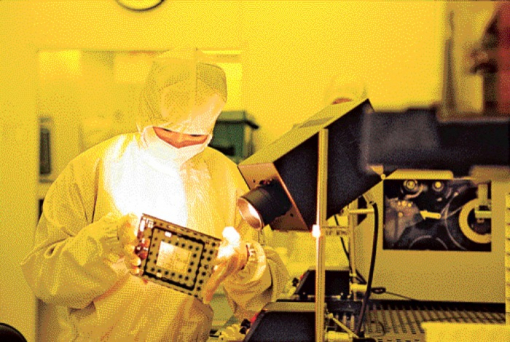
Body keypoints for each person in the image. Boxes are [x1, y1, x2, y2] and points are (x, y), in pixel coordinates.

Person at [21, 48, 289, 341]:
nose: (177, 143)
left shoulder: (226, 179)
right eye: (165, 130)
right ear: (147, 112)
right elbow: (47, 278)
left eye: (194, 136)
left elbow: (261, 301)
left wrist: (242, 261)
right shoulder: (94, 168)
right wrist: (109, 242)